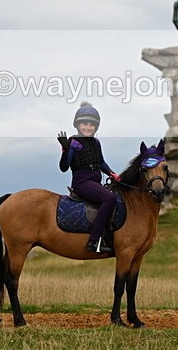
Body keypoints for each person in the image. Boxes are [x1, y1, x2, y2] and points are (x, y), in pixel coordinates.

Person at [57, 101, 119, 254]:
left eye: (91, 125)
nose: (88, 127)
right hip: (81, 182)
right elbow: (64, 168)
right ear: (77, 125)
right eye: (84, 124)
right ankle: (94, 241)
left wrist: (112, 174)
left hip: (95, 181)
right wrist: (65, 149)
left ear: (96, 127)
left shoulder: (96, 142)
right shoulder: (73, 142)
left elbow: (101, 162)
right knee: (109, 199)